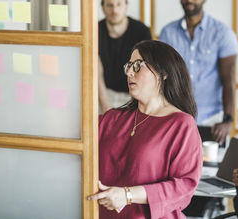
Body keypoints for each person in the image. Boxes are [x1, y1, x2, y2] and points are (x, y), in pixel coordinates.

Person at [87, 40, 203, 218]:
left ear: (163, 73)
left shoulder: (181, 124)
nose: (129, 72)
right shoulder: (113, 118)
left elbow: (184, 187)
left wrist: (128, 195)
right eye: (129, 65)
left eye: (138, 65)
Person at [159, 0, 238, 145]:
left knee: (212, 169)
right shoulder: (167, 33)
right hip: (176, 116)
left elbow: (228, 80)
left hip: (212, 120)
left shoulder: (222, 33)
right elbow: (161, 78)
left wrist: (228, 120)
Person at [99, 0, 152, 113]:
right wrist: (105, 106)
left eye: (119, 4)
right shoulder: (96, 30)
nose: (115, 10)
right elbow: (95, 72)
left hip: (134, 94)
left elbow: (146, 70)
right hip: (104, 93)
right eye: (109, 5)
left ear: (126, 6)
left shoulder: (141, 31)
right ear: (103, 8)